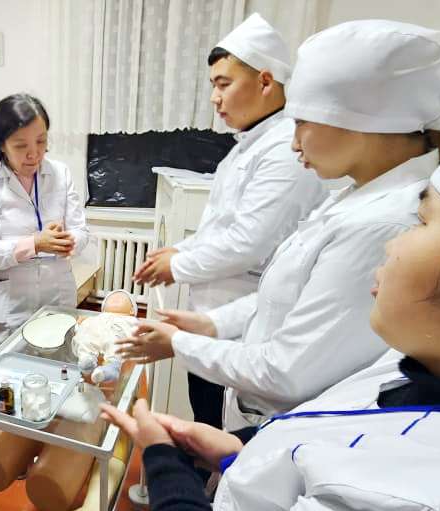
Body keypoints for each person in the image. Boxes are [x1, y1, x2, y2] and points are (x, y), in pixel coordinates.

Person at [102, 87, 440, 511]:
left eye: (421, 223)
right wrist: (239, 452)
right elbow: (325, 435)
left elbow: (285, 367)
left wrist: (163, 461)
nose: (393, 244)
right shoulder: (416, 366)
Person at [119, 20, 440, 430]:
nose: (294, 141)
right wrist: (212, 323)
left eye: (302, 122)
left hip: (282, 417)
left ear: (356, 123)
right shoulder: (354, 197)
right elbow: (284, 293)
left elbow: (286, 371)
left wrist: (178, 341)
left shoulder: (383, 224)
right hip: (249, 372)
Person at [132, 13, 324, 431]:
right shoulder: (245, 147)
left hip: (243, 328)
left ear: (265, 81)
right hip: (213, 320)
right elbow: (219, 227)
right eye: (213, 86)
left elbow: (248, 242)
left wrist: (177, 264)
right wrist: (180, 250)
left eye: (224, 84)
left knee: (221, 431)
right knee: (204, 416)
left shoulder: (283, 151)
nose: (215, 99)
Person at [0, 93, 90, 360]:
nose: (34, 153)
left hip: (55, 297)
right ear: (1, 144)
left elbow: (81, 231)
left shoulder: (60, 174)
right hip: (9, 308)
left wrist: (68, 241)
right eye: (21, 145)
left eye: (41, 141)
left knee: (56, 370)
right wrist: (35, 244)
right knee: (7, 374)